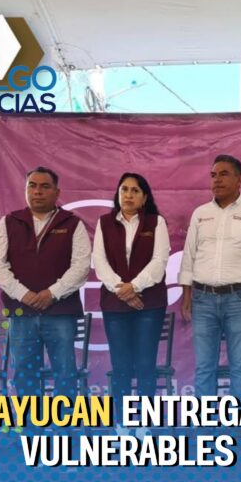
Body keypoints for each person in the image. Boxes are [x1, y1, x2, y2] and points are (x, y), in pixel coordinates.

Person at [0, 166, 90, 405]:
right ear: (25, 190)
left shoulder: (72, 223)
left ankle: (65, 424)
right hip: (21, 312)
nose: (37, 191)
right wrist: (24, 295)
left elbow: (81, 267)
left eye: (45, 186)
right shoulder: (9, 222)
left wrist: (52, 293)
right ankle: (30, 424)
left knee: (65, 372)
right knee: (24, 373)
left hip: (60, 312)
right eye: (32, 186)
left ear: (57, 192)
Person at [178, 155, 241, 399]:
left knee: (239, 368)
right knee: (204, 368)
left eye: (224, 174)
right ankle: (204, 422)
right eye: (213, 175)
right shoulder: (200, 214)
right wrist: (187, 295)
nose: (217, 180)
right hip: (203, 299)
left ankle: (239, 423)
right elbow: (189, 256)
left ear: (240, 179)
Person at [93, 172, 170, 410]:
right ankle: (121, 421)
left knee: (146, 364)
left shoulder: (156, 222)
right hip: (114, 304)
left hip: (150, 304)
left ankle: (145, 421)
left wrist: (133, 287)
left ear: (144, 197)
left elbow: (159, 262)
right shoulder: (104, 223)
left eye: (135, 190)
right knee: (121, 366)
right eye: (124, 189)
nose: (128, 195)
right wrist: (122, 290)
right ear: (118, 194)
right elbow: (100, 262)